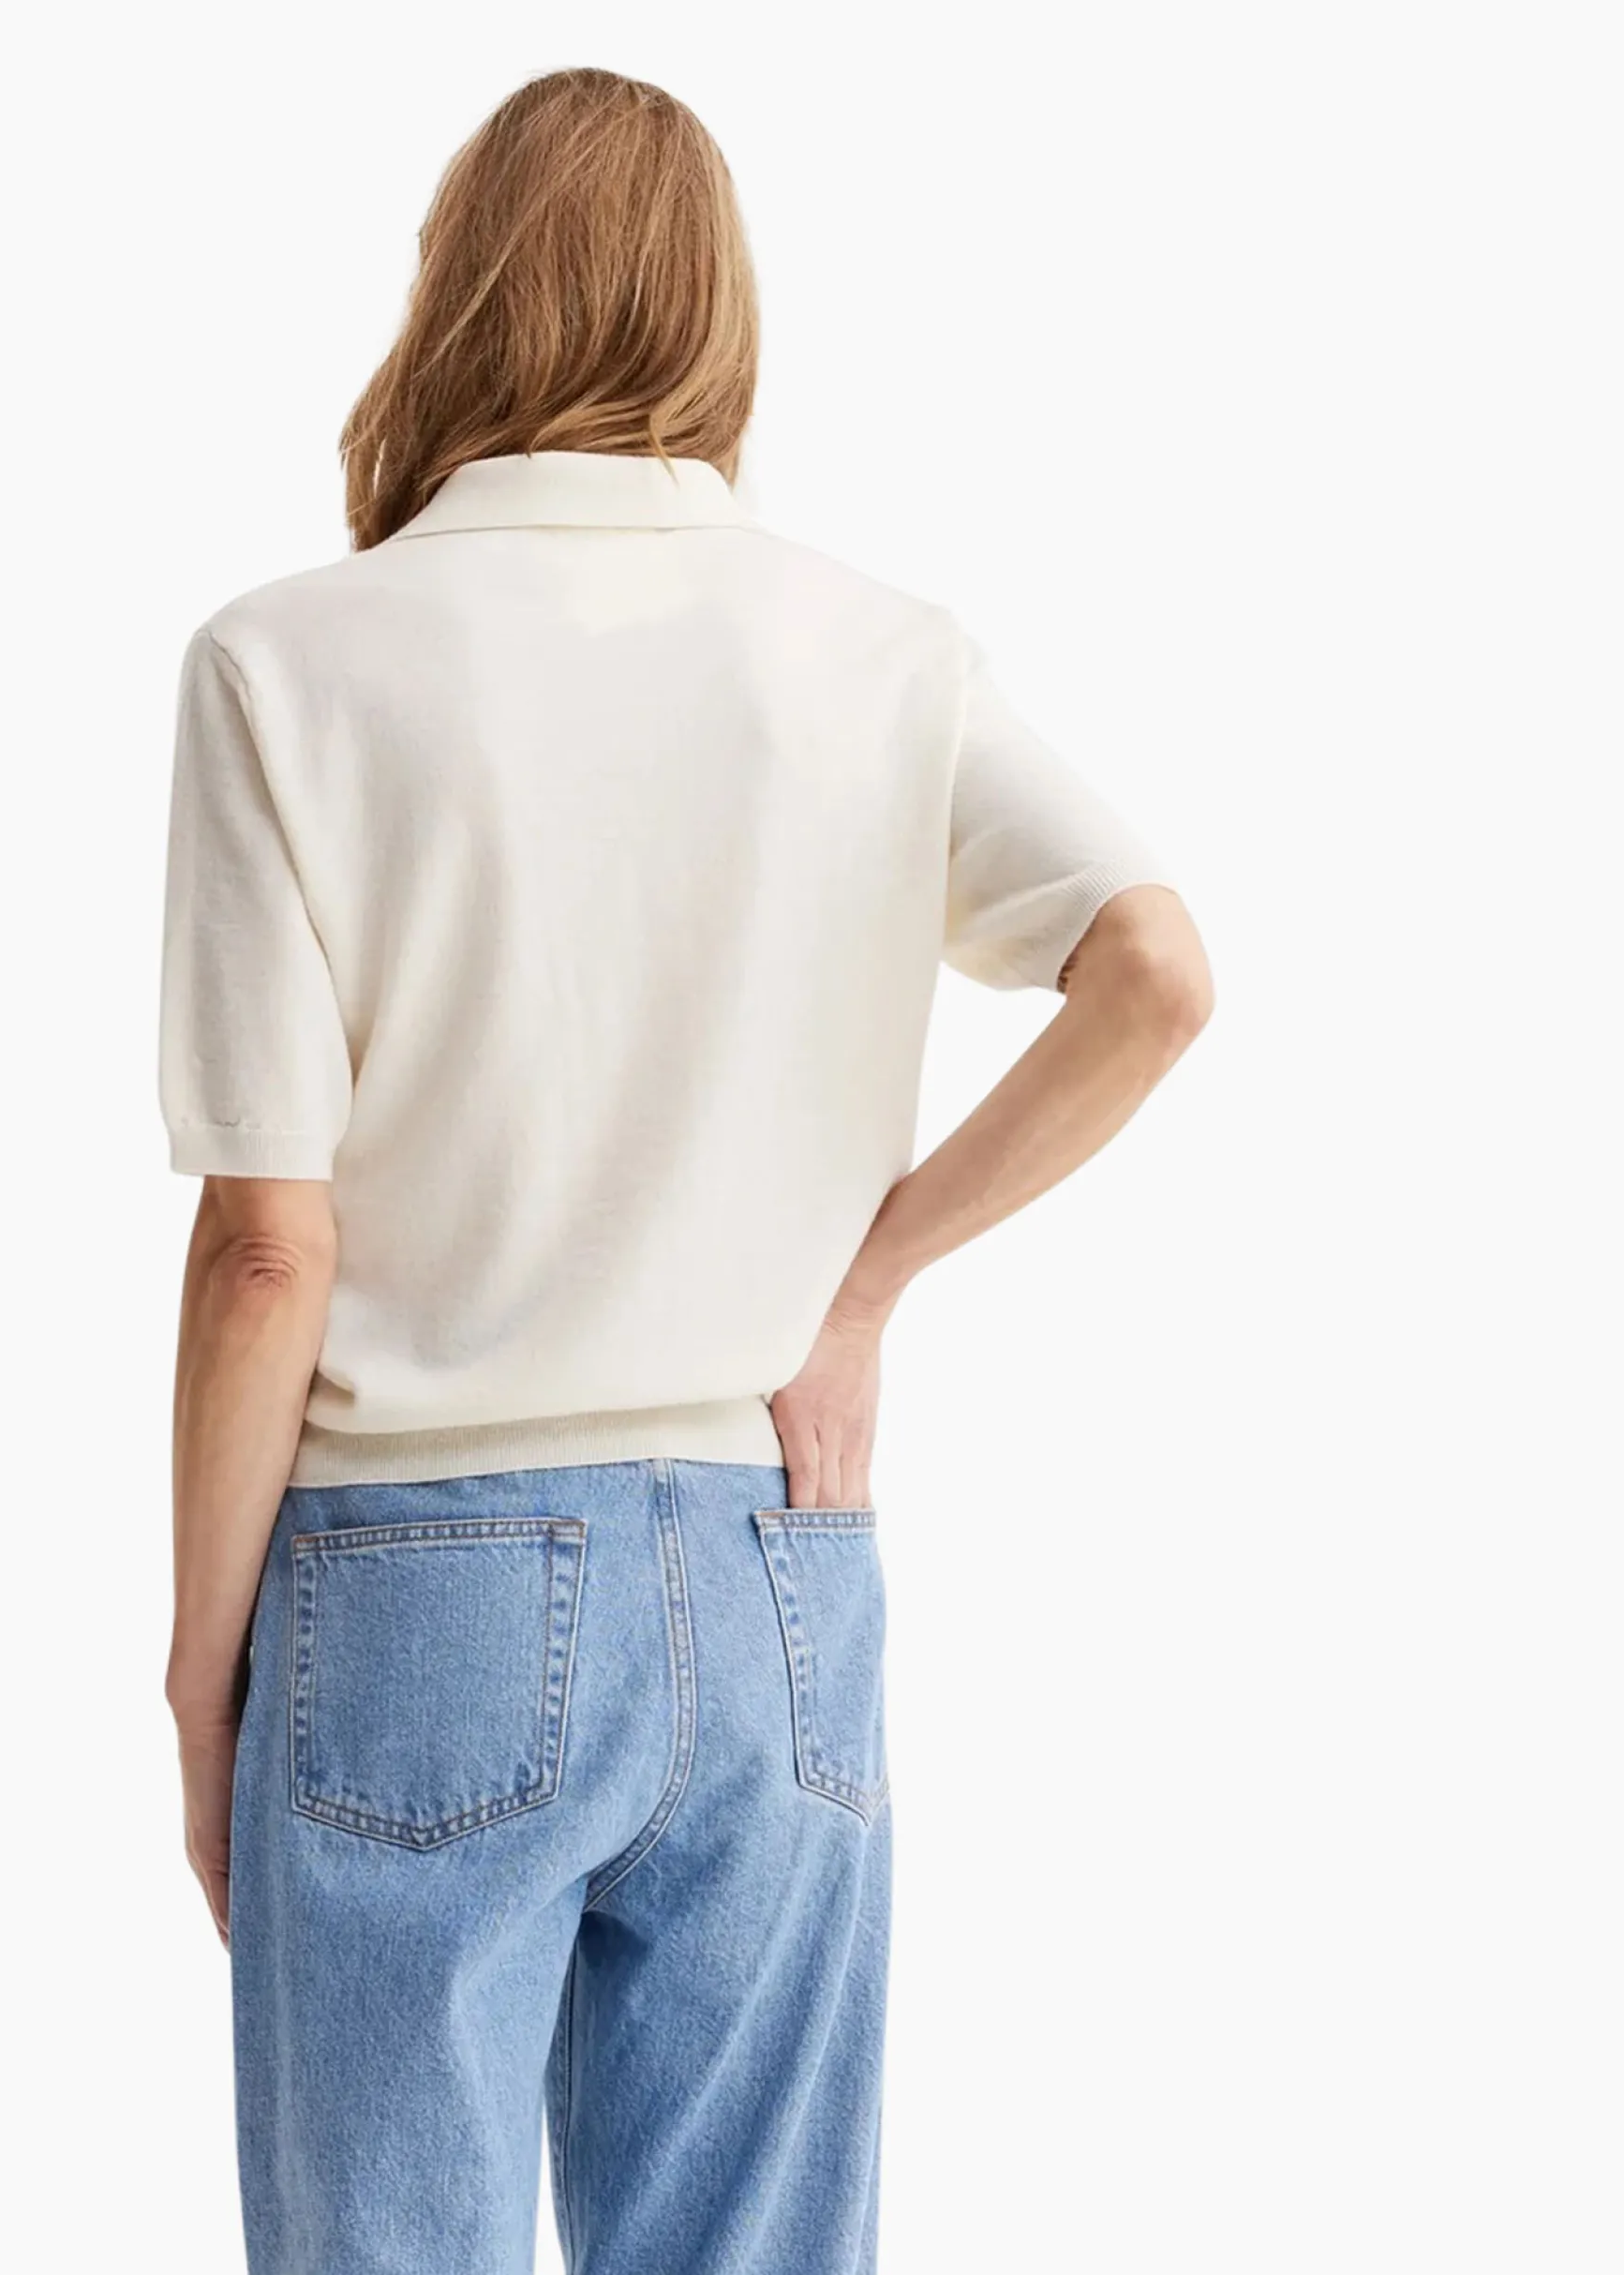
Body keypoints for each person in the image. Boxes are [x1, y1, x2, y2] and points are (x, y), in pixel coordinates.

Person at [159, 65, 1212, 2275]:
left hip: (408, 1583)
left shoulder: (290, 661)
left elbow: (267, 1248)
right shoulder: (876, 652)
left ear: (454, 291)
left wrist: (200, 1673)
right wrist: (864, 1287)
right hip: (773, 1573)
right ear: (717, 310)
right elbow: (1152, 969)